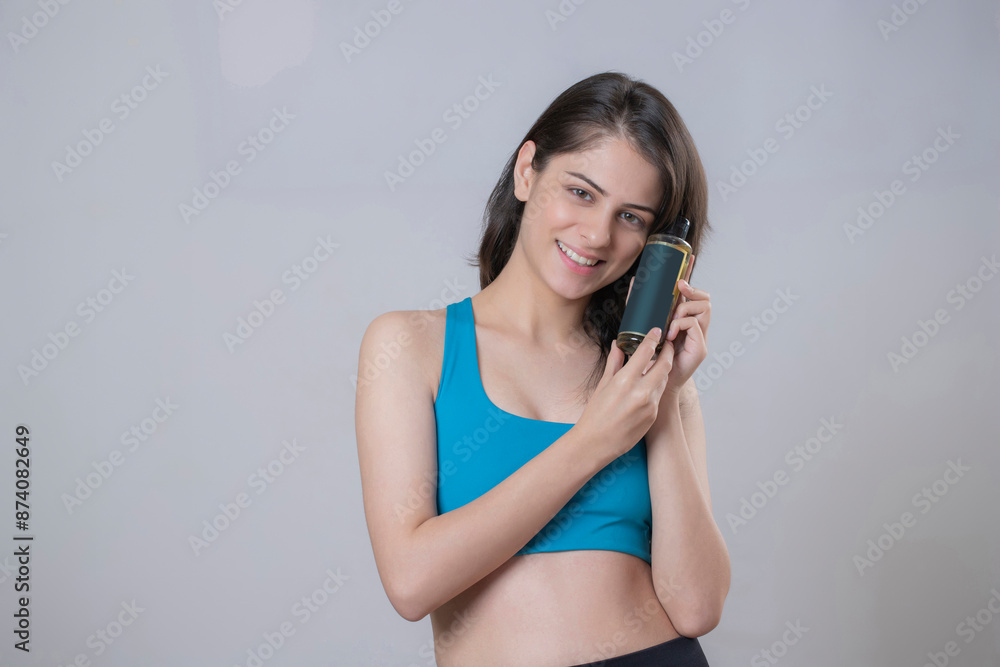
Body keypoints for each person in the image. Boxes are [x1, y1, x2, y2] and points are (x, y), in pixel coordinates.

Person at [355, 71, 730, 666]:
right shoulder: (409, 346)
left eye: (632, 217)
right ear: (527, 170)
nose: (597, 234)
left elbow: (697, 607)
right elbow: (411, 581)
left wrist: (657, 394)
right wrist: (592, 442)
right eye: (581, 192)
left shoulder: (651, 382)